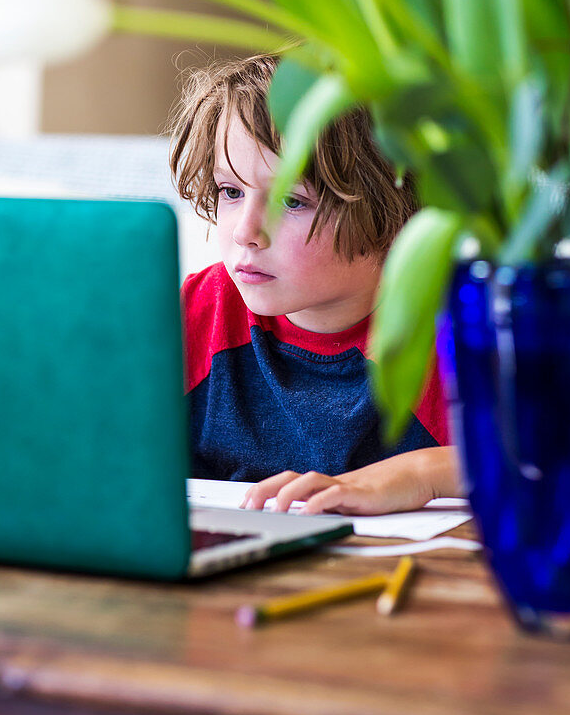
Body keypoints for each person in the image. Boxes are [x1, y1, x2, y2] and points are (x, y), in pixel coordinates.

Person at [169, 55, 460, 513]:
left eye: (291, 200)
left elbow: (554, 461)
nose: (246, 231)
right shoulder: (196, 313)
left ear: (390, 206)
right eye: (230, 192)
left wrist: (420, 473)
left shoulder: (446, 332)